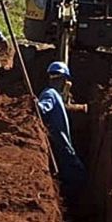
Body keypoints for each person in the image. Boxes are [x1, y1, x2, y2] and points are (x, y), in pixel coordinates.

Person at [38, 62, 88, 205]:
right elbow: (42, 109)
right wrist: (35, 104)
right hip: (60, 144)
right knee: (78, 175)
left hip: (61, 142)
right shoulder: (50, 94)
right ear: (63, 80)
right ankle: (74, 207)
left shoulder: (55, 95)